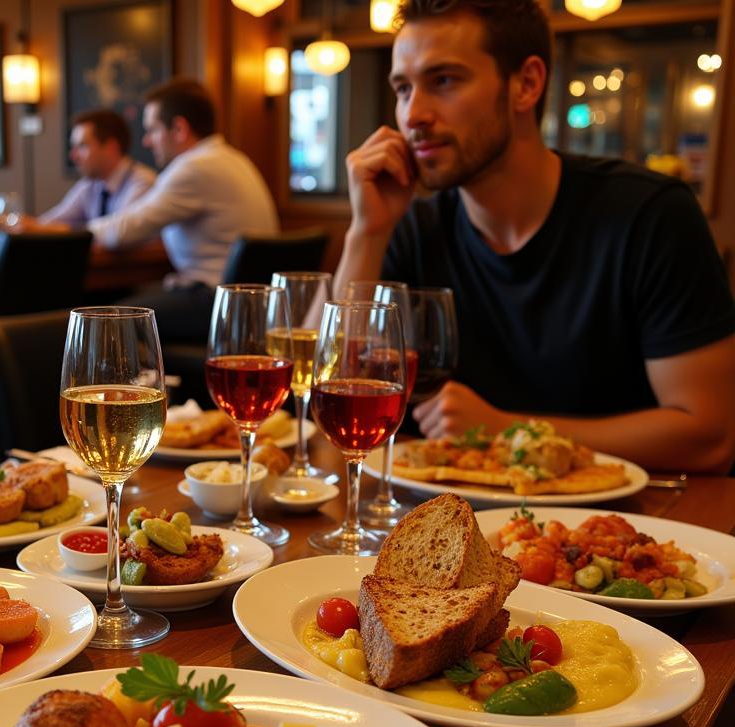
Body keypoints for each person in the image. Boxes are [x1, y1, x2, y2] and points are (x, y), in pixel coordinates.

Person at [333, 0, 735, 474]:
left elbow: (709, 438)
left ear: (526, 84)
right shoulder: (414, 227)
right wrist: (367, 231)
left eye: (443, 81)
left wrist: (508, 429)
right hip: (452, 520)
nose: (413, 114)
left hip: (623, 525)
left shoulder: (648, 214)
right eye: (403, 89)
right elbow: (338, 397)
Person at [79, 78, 279, 344]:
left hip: (217, 303)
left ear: (179, 128)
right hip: (251, 307)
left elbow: (123, 232)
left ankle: (134, 387)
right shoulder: (233, 159)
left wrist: (75, 233)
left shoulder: (193, 168)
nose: (148, 141)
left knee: (110, 320)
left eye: (152, 130)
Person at [35, 109, 155, 227]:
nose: (73, 156)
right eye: (74, 147)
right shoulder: (90, 184)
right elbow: (49, 223)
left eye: (82, 146)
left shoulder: (143, 183)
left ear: (111, 147)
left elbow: (118, 232)